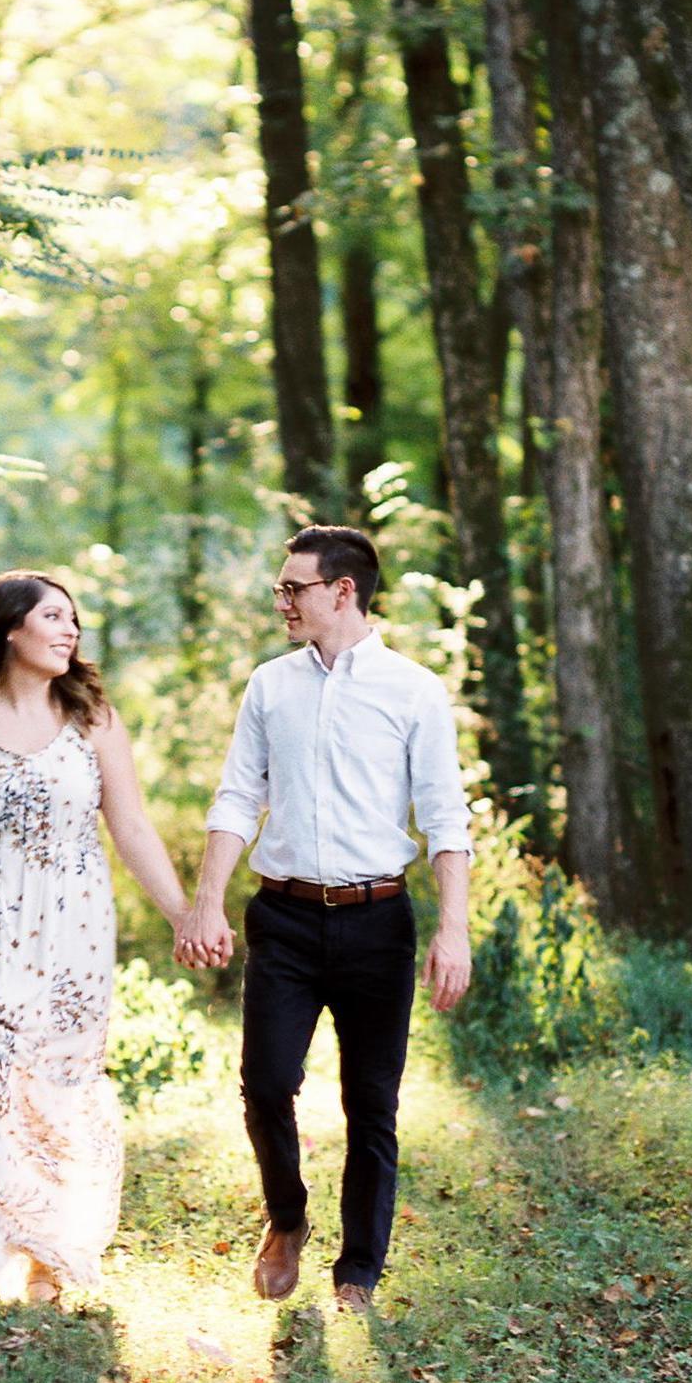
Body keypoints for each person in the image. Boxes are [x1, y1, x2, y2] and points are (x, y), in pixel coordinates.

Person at [175, 525, 472, 1311]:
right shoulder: (269, 685)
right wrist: (206, 899)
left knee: (371, 1102)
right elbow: (237, 796)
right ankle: (287, 1217)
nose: (281, 601)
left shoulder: (412, 690)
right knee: (266, 1081)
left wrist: (453, 929)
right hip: (285, 917)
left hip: (378, 922)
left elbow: (445, 818)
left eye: (292, 587)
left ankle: (358, 1270)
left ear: (343, 591)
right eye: (280, 588)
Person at [0, 572, 191, 1307]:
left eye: (74, 620)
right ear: (9, 629)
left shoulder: (91, 718)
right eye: (54, 616)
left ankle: (47, 1256)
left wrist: (184, 914)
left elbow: (130, 825)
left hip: (70, 942)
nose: (70, 630)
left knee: (55, 1102)